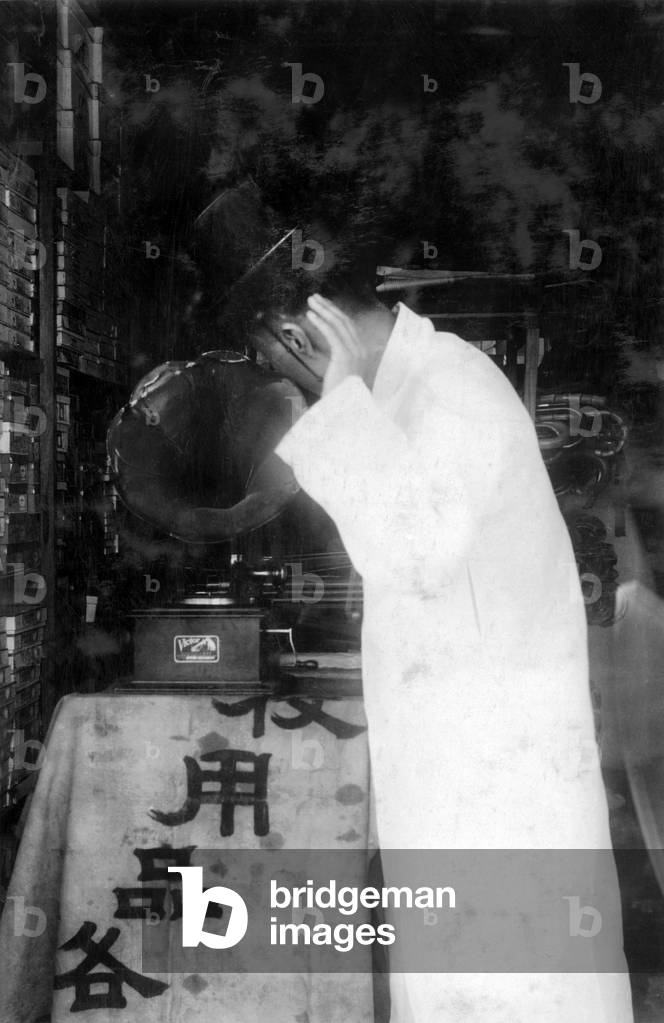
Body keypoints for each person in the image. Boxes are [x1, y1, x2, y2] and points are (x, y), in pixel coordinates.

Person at [249, 286, 634, 1022]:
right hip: (472, 775)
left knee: (515, 985)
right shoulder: (419, 391)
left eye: (283, 360)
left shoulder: (452, 391)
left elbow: (414, 553)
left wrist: (338, 406)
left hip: (496, 784)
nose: (290, 380)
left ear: (303, 333)